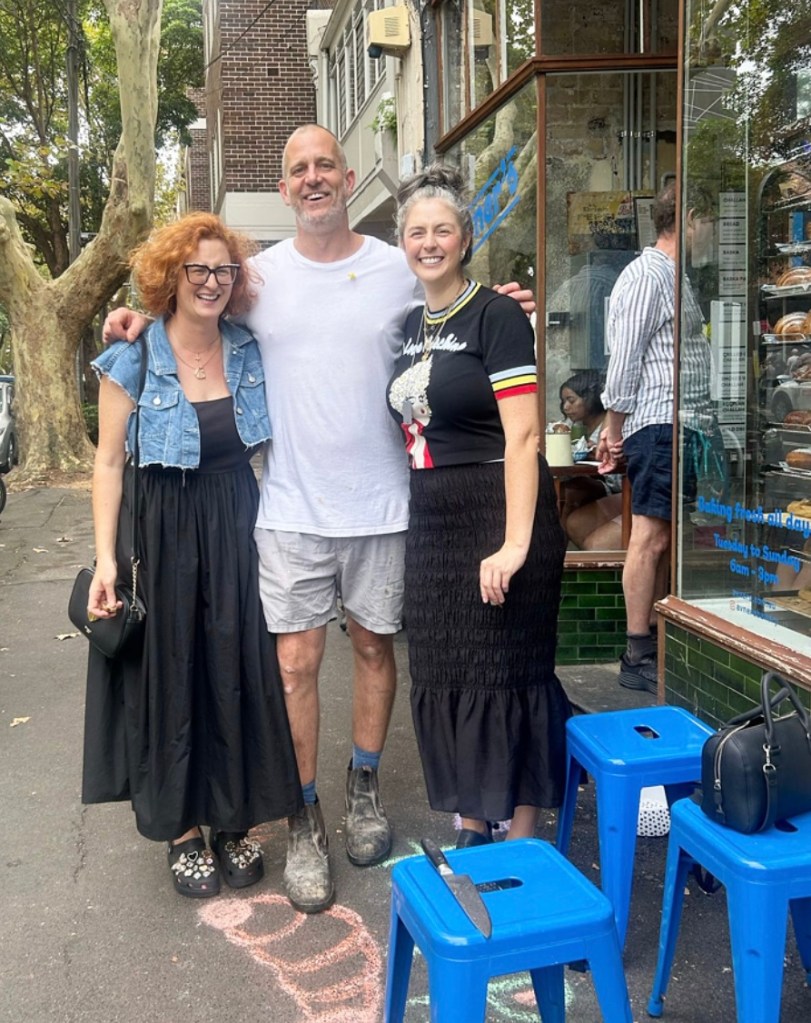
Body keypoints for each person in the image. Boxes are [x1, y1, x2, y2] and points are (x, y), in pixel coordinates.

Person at [102, 125, 535, 913]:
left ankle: (362, 786)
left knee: (372, 648)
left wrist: (501, 304)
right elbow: (188, 302)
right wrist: (133, 317)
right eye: (298, 168)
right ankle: (304, 816)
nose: (312, 178)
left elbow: (454, 302)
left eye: (324, 165)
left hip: (383, 503)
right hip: (289, 508)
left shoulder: (395, 265)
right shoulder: (257, 278)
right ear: (283, 186)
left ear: (346, 174)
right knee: (294, 664)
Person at [83, 212, 302, 899]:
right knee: (170, 674)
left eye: (223, 270)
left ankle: (232, 818)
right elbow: (108, 464)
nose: (211, 282)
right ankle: (181, 830)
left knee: (233, 669)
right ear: (170, 277)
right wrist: (106, 561)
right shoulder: (132, 356)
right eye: (197, 269)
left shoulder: (248, 348)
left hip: (235, 523)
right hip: (161, 528)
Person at [387, 165, 572, 847]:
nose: (429, 243)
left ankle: (521, 833)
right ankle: (471, 822)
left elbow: (523, 437)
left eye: (442, 230)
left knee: (506, 671)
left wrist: (515, 544)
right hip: (433, 519)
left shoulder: (496, 316)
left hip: (498, 510)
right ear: (403, 244)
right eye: (416, 232)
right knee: (446, 669)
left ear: (465, 239)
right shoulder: (410, 325)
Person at [596, 182, 717, 693]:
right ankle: (636, 652)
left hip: (681, 424)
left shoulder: (675, 276)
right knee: (650, 537)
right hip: (658, 424)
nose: (713, 233)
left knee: (666, 537)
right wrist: (614, 429)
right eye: (709, 222)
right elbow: (624, 356)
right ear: (687, 219)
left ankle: (655, 642)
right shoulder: (647, 275)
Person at [558, 370, 623, 550]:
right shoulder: (575, 426)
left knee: (571, 491)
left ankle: (560, 548)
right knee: (565, 491)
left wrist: (597, 454)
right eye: (563, 402)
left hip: (615, 486)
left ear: (590, 398)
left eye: (571, 400)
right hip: (600, 483)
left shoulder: (610, 427)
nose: (566, 407)